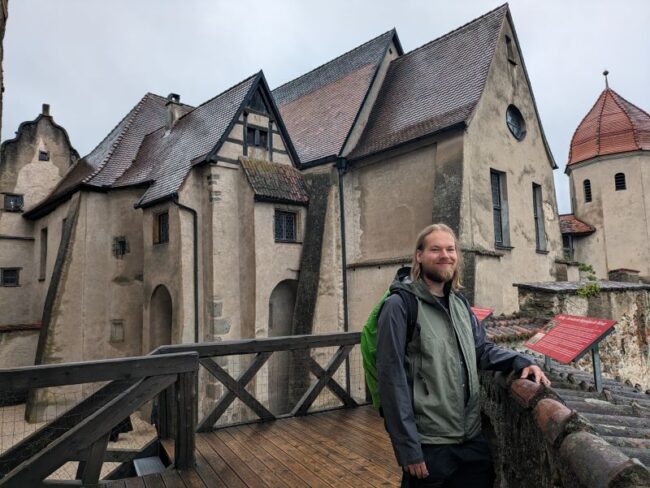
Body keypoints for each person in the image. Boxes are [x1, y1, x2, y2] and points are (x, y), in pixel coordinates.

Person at [376, 223, 550, 487]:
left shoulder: (459, 304)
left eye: (450, 249)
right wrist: (408, 448)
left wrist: (519, 360)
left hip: (471, 441)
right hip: (429, 445)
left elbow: (480, 349)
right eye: (435, 249)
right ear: (419, 256)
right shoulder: (399, 306)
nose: (445, 255)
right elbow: (391, 379)